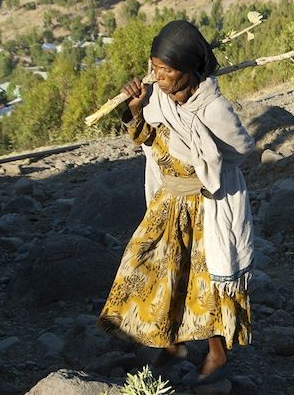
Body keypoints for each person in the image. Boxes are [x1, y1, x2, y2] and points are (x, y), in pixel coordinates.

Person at [98, 20, 255, 387]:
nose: (158, 77)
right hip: (168, 203)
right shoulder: (156, 99)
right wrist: (137, 110)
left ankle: (217, 353)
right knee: (153, 268)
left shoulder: (214, 108)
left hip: (205, 206)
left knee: (207, 282)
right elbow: (147, 140)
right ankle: (171, 340)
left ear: (188, 71)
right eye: (155, 68)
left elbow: (241, 150)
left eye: (165, 71)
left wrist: (203, 157)